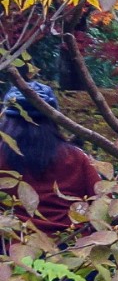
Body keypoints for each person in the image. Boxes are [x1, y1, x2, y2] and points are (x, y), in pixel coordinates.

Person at [0, 83, 99, 232]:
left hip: (13, 247)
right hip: (72, 246)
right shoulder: (76, 157)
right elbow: (103, 203)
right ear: (54, 119)